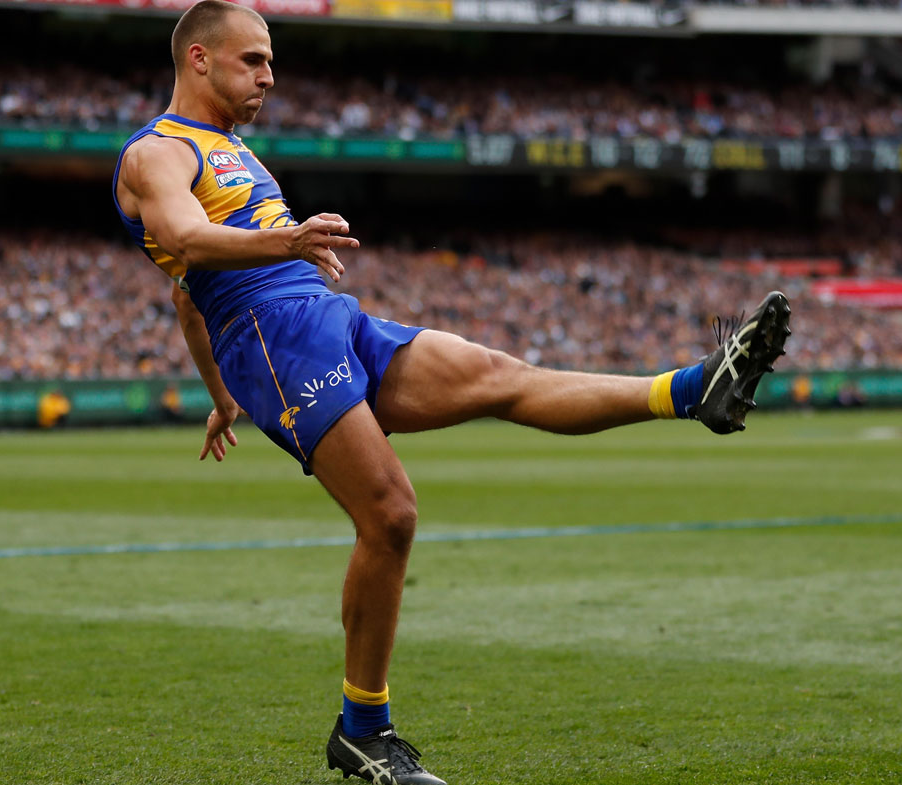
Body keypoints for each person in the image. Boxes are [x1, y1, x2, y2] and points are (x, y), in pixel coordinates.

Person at [110, 3, 791, 782]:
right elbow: (191, 244)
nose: (268, 75)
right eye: (252, 60)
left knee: (501, 374)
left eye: (270, 62)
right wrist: (286, 243)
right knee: (390, 513)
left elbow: (184, 298)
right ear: (198, 58)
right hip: (275, 337)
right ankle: (364, 730)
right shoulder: (155, 154)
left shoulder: (232, 149)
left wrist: (220, 397)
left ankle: (693, 389)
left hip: (327, 317)